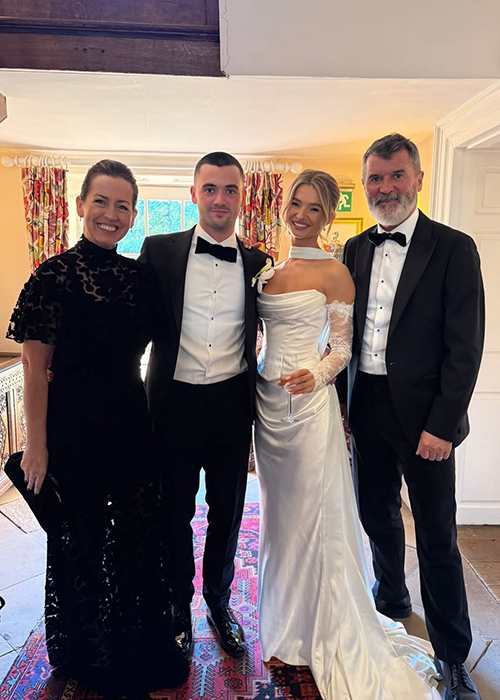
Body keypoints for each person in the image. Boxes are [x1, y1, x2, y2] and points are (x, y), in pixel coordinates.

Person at [254, 168, 442, 700]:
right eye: (296, 203)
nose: (302, 215)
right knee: (279, 519)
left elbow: (342, 349)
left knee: (315, 518)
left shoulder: (336, 273)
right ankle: (285, 624)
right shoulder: (267, 272)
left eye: (315, 208)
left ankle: (321, 627)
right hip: (268, 407)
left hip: (308, 408)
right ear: (284, 206)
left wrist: (315, 376)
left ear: (328, 216)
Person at [6, 160, 189, 699]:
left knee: (136, 535)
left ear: (134, 214)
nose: (112, 214)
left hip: (131, 423)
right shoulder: (51, 277)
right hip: (71, 429)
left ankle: (137, 641)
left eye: (123, 205)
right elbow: (34, 366)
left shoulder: (141, 279)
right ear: (80, 204)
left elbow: (167, 351)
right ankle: (88, 650)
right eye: (101, 202)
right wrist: (36, 446)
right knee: (80, 539)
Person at [337, 133, 485, 700]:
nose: (385, 188)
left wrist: (442, 426)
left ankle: (452, 657)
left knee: (437, 536)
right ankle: (392, 598)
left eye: (396, 175)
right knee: (375, 515)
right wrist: (344, 406)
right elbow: (345, 335)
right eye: (375, 178)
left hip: (427, 418)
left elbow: (464, 347)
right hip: (367, 407)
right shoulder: (354, 249)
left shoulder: (454, 247)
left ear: (418, 178)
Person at [138, 152, 271, 660]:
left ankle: (219, 601)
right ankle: (177, 604)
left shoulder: (259, 263)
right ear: (193, 194)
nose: (220, 199)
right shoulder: (158, 250)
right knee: (173, 510)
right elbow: (131, 319)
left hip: (233, 403)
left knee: (228, 511)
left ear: (242, 196)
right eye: (210, 188)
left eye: (230, 189)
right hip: (173, 402)